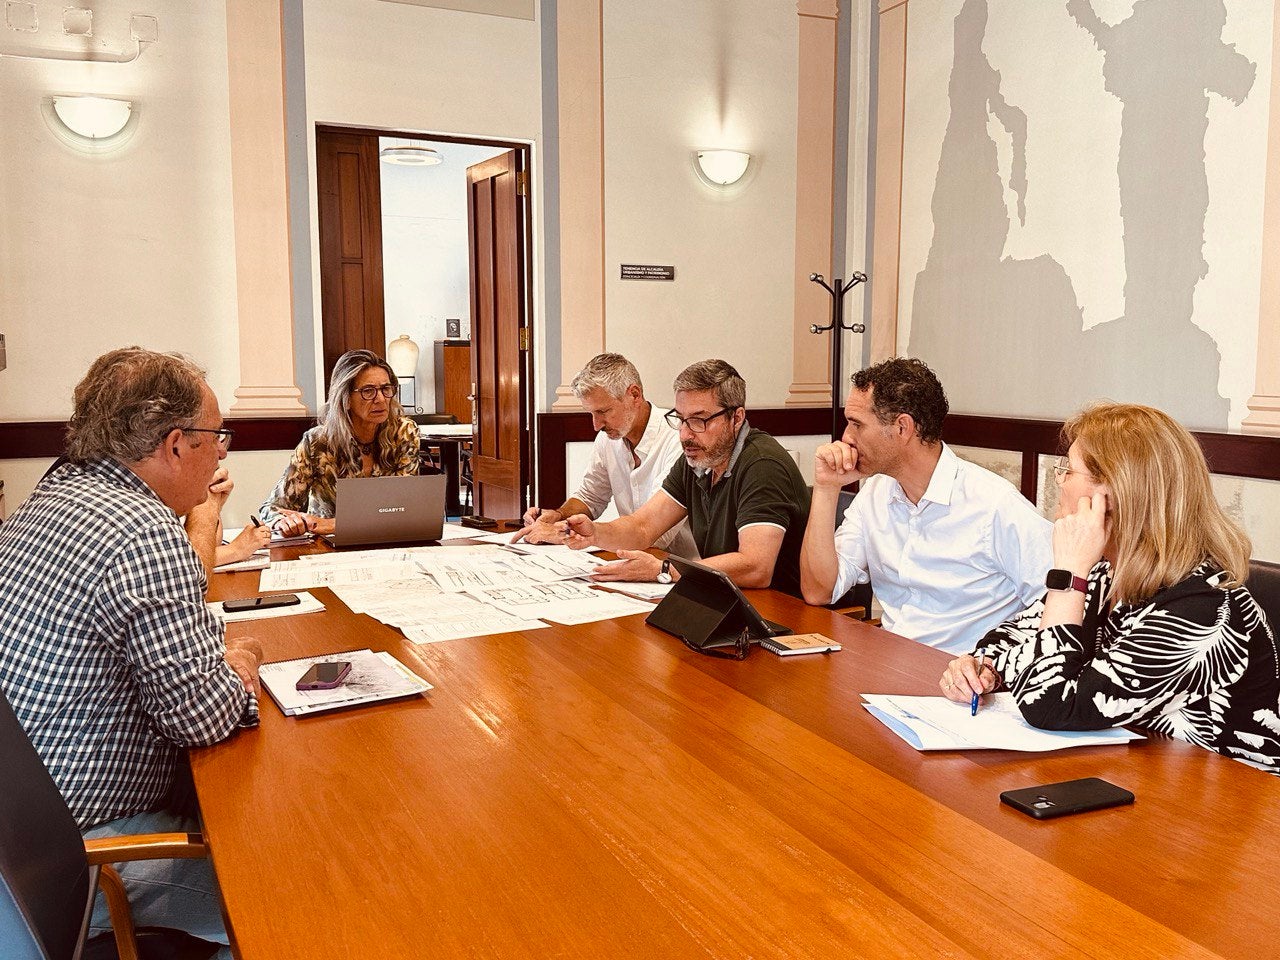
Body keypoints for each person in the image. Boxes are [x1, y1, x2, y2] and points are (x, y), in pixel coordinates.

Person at [0, 347, 263, 954]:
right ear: (176, 445)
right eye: (216, 437)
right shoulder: (144, 532)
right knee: (295, 894)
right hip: (91, 853)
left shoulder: (51, 496)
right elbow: (201, 717)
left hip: (30, 837)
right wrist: (239, 664)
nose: (222, 453)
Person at [940, 403, 1280, 774]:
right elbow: (1006, 643)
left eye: (1068, 470)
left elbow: (1052, 705)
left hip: (1230, 808)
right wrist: (979, 668)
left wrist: (1068, 575)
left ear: (1114, 494)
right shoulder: (1107, 575)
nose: (1058, 481)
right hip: (1138, 775)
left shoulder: (1204, 610)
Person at [800, 357, 1052, 653]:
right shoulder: (875, 494)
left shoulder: (994, 504)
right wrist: (827, 488)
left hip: (960, 682)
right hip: (888, 667)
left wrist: (995, 664)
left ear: (902, 428)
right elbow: (819, 591)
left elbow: (1062, 603)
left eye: (856, 425)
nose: (846, 438)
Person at [560, 359, 810, 596]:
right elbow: (643, 527)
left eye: (698, 420)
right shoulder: (698, 460)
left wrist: (664, 569)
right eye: (680, 419)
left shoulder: (762, 464)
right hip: (725, 595)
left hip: (784, 610)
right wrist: (594, 533)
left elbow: (756, 567)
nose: (685, 434)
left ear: (736, 418)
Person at [514, 353, 696, 557]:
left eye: (603, 411)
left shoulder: (678, 438)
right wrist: (558, 516)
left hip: (684, 567)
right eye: (591, 413)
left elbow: (655, 533)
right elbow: (590, 497)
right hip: (633, 559)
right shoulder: (609, 438)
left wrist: (566, 531)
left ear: (634, 395)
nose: (596, 425)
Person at [260, 349, 420, 536]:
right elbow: (271, 509)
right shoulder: (317, 442)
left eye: (386, 389)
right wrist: (284, 522)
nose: (381, 399)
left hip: (386, 540)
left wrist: (329, 525)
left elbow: (403, 509)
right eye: (368, 391)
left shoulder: (404, 433)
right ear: (345, 398)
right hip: (327, 547)